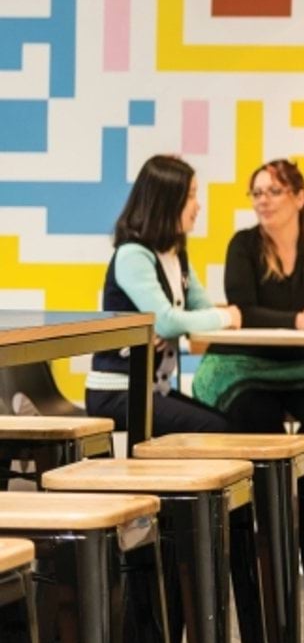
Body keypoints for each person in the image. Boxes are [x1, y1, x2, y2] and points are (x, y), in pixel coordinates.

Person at [192, 159, 304, 434]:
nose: (263, 200)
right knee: (258, 416)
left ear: (299, 198)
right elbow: (243, 312)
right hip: (245, 366)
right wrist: (298, 321)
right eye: (256, 193)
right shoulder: (242, 244)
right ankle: (272, 478)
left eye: (274, 191)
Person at [91, 155, 238, 434]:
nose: (198, 206)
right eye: (191, 196)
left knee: (231, 425)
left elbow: (196, 310)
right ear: (167, 201)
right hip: (117, 392)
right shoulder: (133, 255)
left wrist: (176, 322)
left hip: (154, 389)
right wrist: (225, 315)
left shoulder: (175, 254)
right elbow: (169, 322)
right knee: (214, 429)